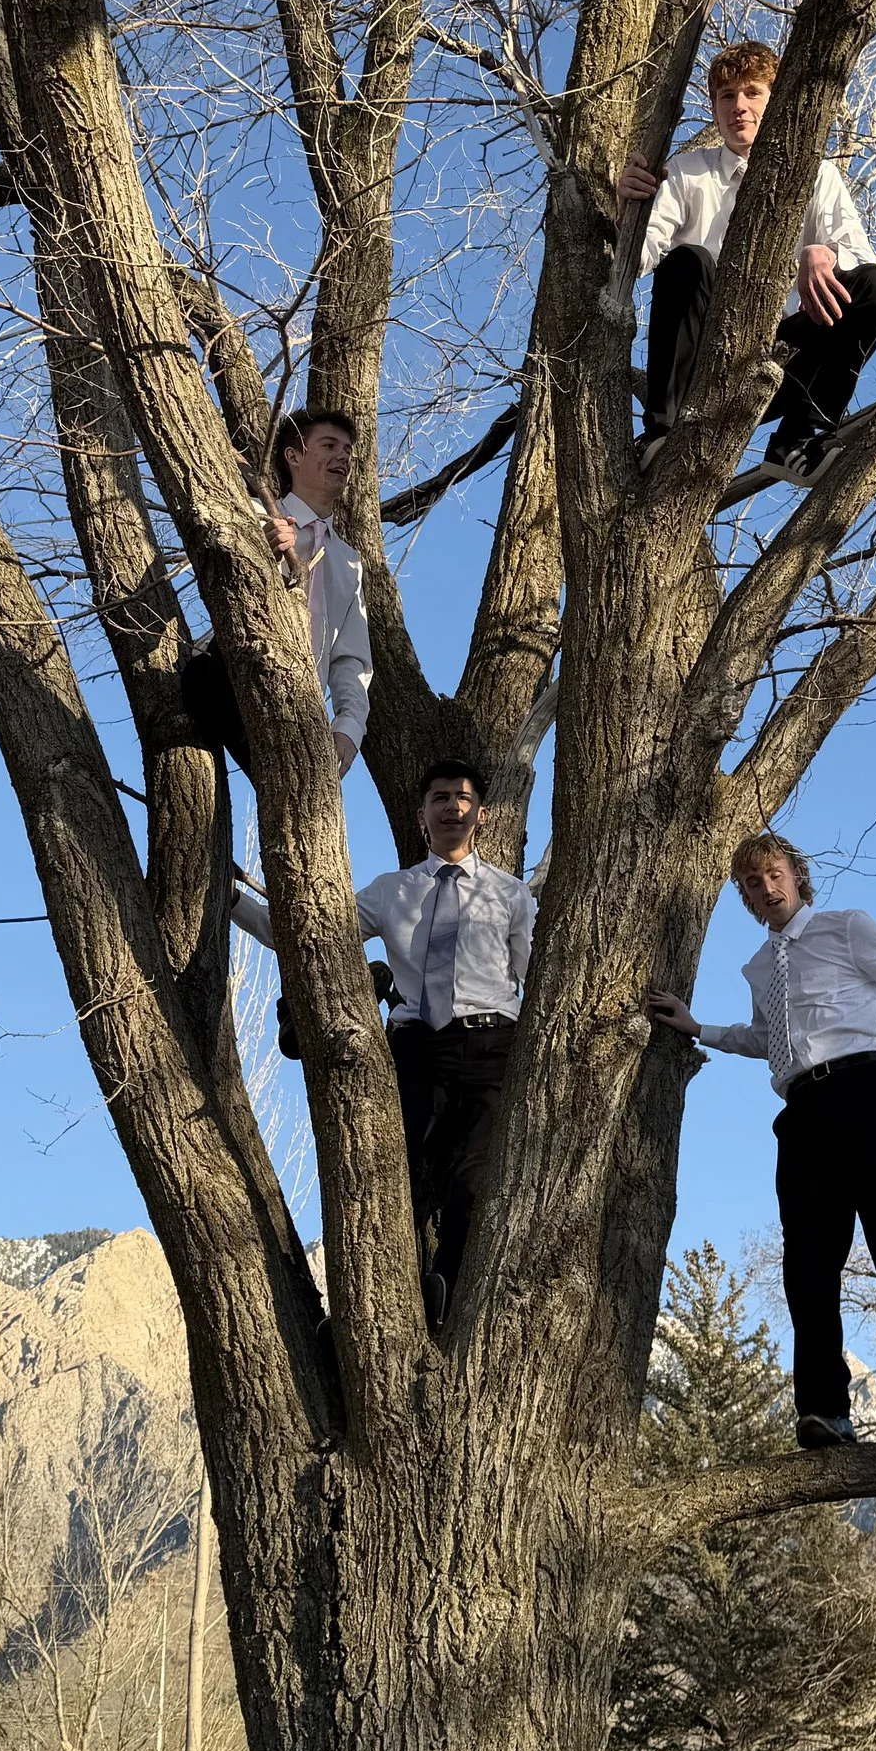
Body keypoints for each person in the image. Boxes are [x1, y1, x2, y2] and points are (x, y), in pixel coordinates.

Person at [649, 831, 876, 1450]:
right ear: (747, 900)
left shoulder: (846, 928)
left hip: (868, 1093)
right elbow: (767, 1040)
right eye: (752, 884)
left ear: (796, 876)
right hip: (803, 1114)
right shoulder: (759, 968)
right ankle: (823, 1413)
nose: (767, 888)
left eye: (774, 874)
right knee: (808, 1266)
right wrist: (698, 1027)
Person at [234, 757, 531, 1326]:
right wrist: (232, 900)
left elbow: (534, 974)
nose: (452, 807)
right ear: (421, 816)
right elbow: (305, 935)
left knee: (474, 1175)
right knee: (392, 1174)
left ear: (483, 816)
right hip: (417, 1046)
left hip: (490, 1046)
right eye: (439, 798)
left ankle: (446, 1290)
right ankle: (370, 1307)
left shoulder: (510, 896)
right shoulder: (392, 891)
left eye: (463, 798)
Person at [617, 41, 876, 482]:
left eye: (752, 93)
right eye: (726, 96)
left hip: (782, 363)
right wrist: (627, 212)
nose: (739, 106)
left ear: (775, 100)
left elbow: (861, 258)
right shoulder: (688, 171)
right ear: (713, 108)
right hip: (699, 360)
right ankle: (660, 433)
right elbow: (639, 258)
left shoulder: (817, 174)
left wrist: (823, 253)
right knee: (689, 260)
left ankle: (797, 438)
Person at [186, 409, 371, 777]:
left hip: (298, 712)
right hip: (227, 677)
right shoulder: (253, 516)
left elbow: (351, 659)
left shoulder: (349, 562)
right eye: (329, 445)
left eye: (348, 450)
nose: (344, 457)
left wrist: (349, 728)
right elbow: (216, 579)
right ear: (294, 456)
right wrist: (262, 556)